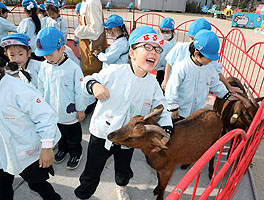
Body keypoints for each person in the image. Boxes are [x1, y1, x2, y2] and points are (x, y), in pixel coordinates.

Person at [74, 26, 173, 200]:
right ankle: (84, 193)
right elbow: (88, 80)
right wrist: (94, 86)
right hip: (102, 133)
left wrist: (167, 130)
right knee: (93, 167)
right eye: (147, 47)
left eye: (158, 49)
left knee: (123, 167)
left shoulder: (152, 84)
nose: (154, 52)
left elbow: (162, 108)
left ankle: (121, 187)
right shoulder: (115, 72)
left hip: (129, 137)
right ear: (132, 53)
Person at [0, 58, 62, 200]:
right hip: (3, 152)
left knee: (37, 183)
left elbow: (46, 117)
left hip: (26, 151)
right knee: (2, 187)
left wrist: (47, 148)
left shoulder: (18, 89)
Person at [35, 27, 87, 169]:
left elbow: (80, 91)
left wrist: (81, 109)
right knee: (59, 134)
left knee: (73, 136)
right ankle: (63, 149)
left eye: (50, 54)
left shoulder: (73, 68)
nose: (46, 58)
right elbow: (41, 86)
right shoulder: (44, 66)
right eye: (44, 55)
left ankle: (76, 152)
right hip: (52, 111)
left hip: (69, 113)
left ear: (62, 48)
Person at [165, 30, 237, 121]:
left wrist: (225, 94)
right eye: (209, 58)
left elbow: (215, 83)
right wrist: (173, 107)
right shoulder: (182, 67)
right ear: (197, 54)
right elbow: (171, 89)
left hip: (197, 111)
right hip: (180, 112)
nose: (211, 61)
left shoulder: (209, 68)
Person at [161, 18, 242, 94]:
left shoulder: (205, 55)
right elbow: (169, 62)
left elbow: (217, 72)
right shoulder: (180, 47)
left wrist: (229, 87)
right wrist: (166, 80)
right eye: (191, 38)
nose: (192, 43)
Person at [75, 0, 107, 76]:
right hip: (86, 48)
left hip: (92, 49)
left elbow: (96, 29)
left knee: (93, 76)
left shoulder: (92, 3)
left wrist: (78, 31)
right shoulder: (85, 2)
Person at [155, 17, 176, 85]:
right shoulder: (160, 41)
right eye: (162, 31)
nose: (164, 34)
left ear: (172, 31)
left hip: (167, 72)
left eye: (167, 32)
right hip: (159, 70)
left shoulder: (174, 45)